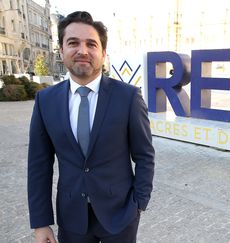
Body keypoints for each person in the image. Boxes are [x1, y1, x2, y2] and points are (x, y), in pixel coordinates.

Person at [27, 11, 155, 243]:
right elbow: (38, 165)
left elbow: (144, 155)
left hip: (120, 216)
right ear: (62, 50)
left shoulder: (128, 97)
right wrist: (40, 222)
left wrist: (139, 204)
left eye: (91, 44)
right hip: (71, 218)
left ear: (103, 53)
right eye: (73, 43)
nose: (82, 51)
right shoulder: (45, 101)